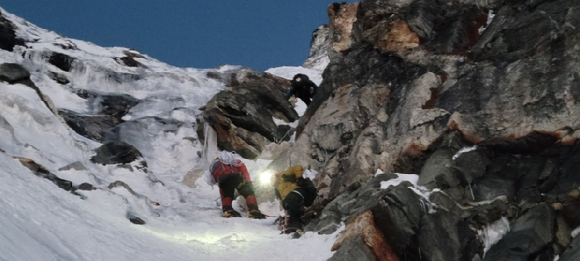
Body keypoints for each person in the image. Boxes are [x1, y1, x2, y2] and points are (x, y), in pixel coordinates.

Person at [207, 151, 266, 219]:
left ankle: (227, 209)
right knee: (248, 192)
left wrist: (222, 190)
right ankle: (253, 210)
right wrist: (248, 183)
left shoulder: (217, 164)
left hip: (222, 180)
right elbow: (244, 172)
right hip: (235, 177)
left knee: (227, 194)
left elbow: (213, 179)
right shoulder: (236, 161)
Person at [274, 165, 317, 233]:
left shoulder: (284, 174)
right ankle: (296, 223)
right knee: (290, 204)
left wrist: (298, 178)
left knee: (292, 201)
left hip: (296, 192)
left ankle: (296, 225)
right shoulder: (277, 189)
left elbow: (298, 167)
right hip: (289, 199)